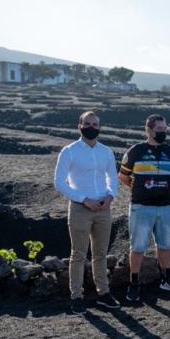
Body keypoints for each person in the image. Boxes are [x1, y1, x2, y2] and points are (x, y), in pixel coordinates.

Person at [53, 111, 120, 314]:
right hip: (80, 208)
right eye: (87, 124)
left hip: (103, 208)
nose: (92, 127)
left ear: (100, 127)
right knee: (78, 254)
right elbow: (59, 182)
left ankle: (103, 294)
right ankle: (76, 296)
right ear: (79, 126)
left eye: (95, 124)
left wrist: (110, 196)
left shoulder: (106, 152)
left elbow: (112, 177)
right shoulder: (69, 151)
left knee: (100, 253)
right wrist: (83, 199)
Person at [119, 114, 170, 302]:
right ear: (148, 129)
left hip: (165, 207)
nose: (163, 132)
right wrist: (140, 189)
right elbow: (123, 176)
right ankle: (134, 284)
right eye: (159, 129)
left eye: (165, 129)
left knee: (164, 245)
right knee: (138, 247)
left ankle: (167, 280)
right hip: (141, 207)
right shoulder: (135, 151)